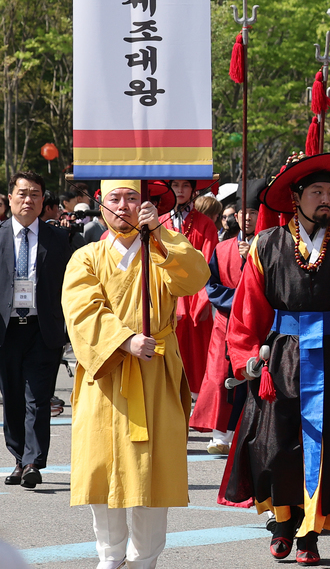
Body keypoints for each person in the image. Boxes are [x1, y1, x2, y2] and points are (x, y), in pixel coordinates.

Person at [221, 153, 330, 566]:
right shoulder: (268, 245)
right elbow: (248, 308)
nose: (326, 199)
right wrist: (245, 355)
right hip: (282, 357)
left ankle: (310, 533)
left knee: (325, 446)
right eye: (316, 192)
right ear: (295, 198)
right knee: (276, 444)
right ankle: (282, 523)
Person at [64, 179, 210, 569]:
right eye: (116, 199)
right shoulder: (87, 257)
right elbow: (82, 312)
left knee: (152, 473)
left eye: (134, 198)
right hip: (107, 373)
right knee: (102, 468)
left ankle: (145, 560)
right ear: (101, 207)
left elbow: (196, 277)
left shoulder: (160, 250)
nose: (125, 206)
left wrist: (161, 234)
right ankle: (110, 557)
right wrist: (125, 340)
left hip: (155, 372)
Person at [2, 172, 74, 489]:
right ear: (10, 198)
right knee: (13, 397)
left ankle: (33, 461)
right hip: (6, 332)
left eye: (35, 194)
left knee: (38, 398)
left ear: (43, 201)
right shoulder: (0, 236)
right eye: (22, 193)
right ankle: (18, 458)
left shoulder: (60, 239)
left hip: (42, 328)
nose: (28, 199)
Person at [191, 179, 265, 455]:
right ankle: (219, 432)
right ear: (235, 215)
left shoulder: (269, 245)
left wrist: (254, 258)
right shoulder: (222, 249)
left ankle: (252, 430)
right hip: (226, 319)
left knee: (256, 376)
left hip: (259, 321)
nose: (247, 218)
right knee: (220, 376)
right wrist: (238, 301)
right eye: (243, 213)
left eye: (254, 213)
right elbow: (211, 286)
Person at [162, 179, 220, 397]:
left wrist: (203, 300)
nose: (179, 190)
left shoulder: (205, 224)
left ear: (193, 190)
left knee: (195, 357)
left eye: (185, 185)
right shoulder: (159, 222)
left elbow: (209, 265)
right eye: (175, 185)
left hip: (195, 296)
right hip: (166, 295)